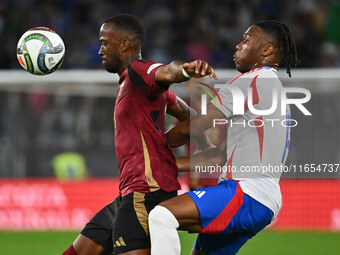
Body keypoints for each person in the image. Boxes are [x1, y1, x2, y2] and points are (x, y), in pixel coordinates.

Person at [62, 14, 216, 255]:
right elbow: (187, 115)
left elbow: (167, 71)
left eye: (104, 42)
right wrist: (192, 146)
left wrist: (184, 71)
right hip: (130, 194)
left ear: (123, 44)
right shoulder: (131, 83)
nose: (100, 50)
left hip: (144, 194)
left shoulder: (139, 71)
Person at [148, 20, 299, 255]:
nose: (238, 45)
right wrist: (170, 165)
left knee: (161, 216)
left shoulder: (254, 80)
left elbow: (197, 126)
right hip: (261, 197)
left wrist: (149, 148)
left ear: (267, 50)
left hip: (247, 192)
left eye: (247, 40)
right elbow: (220, 156)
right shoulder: (272, 87)